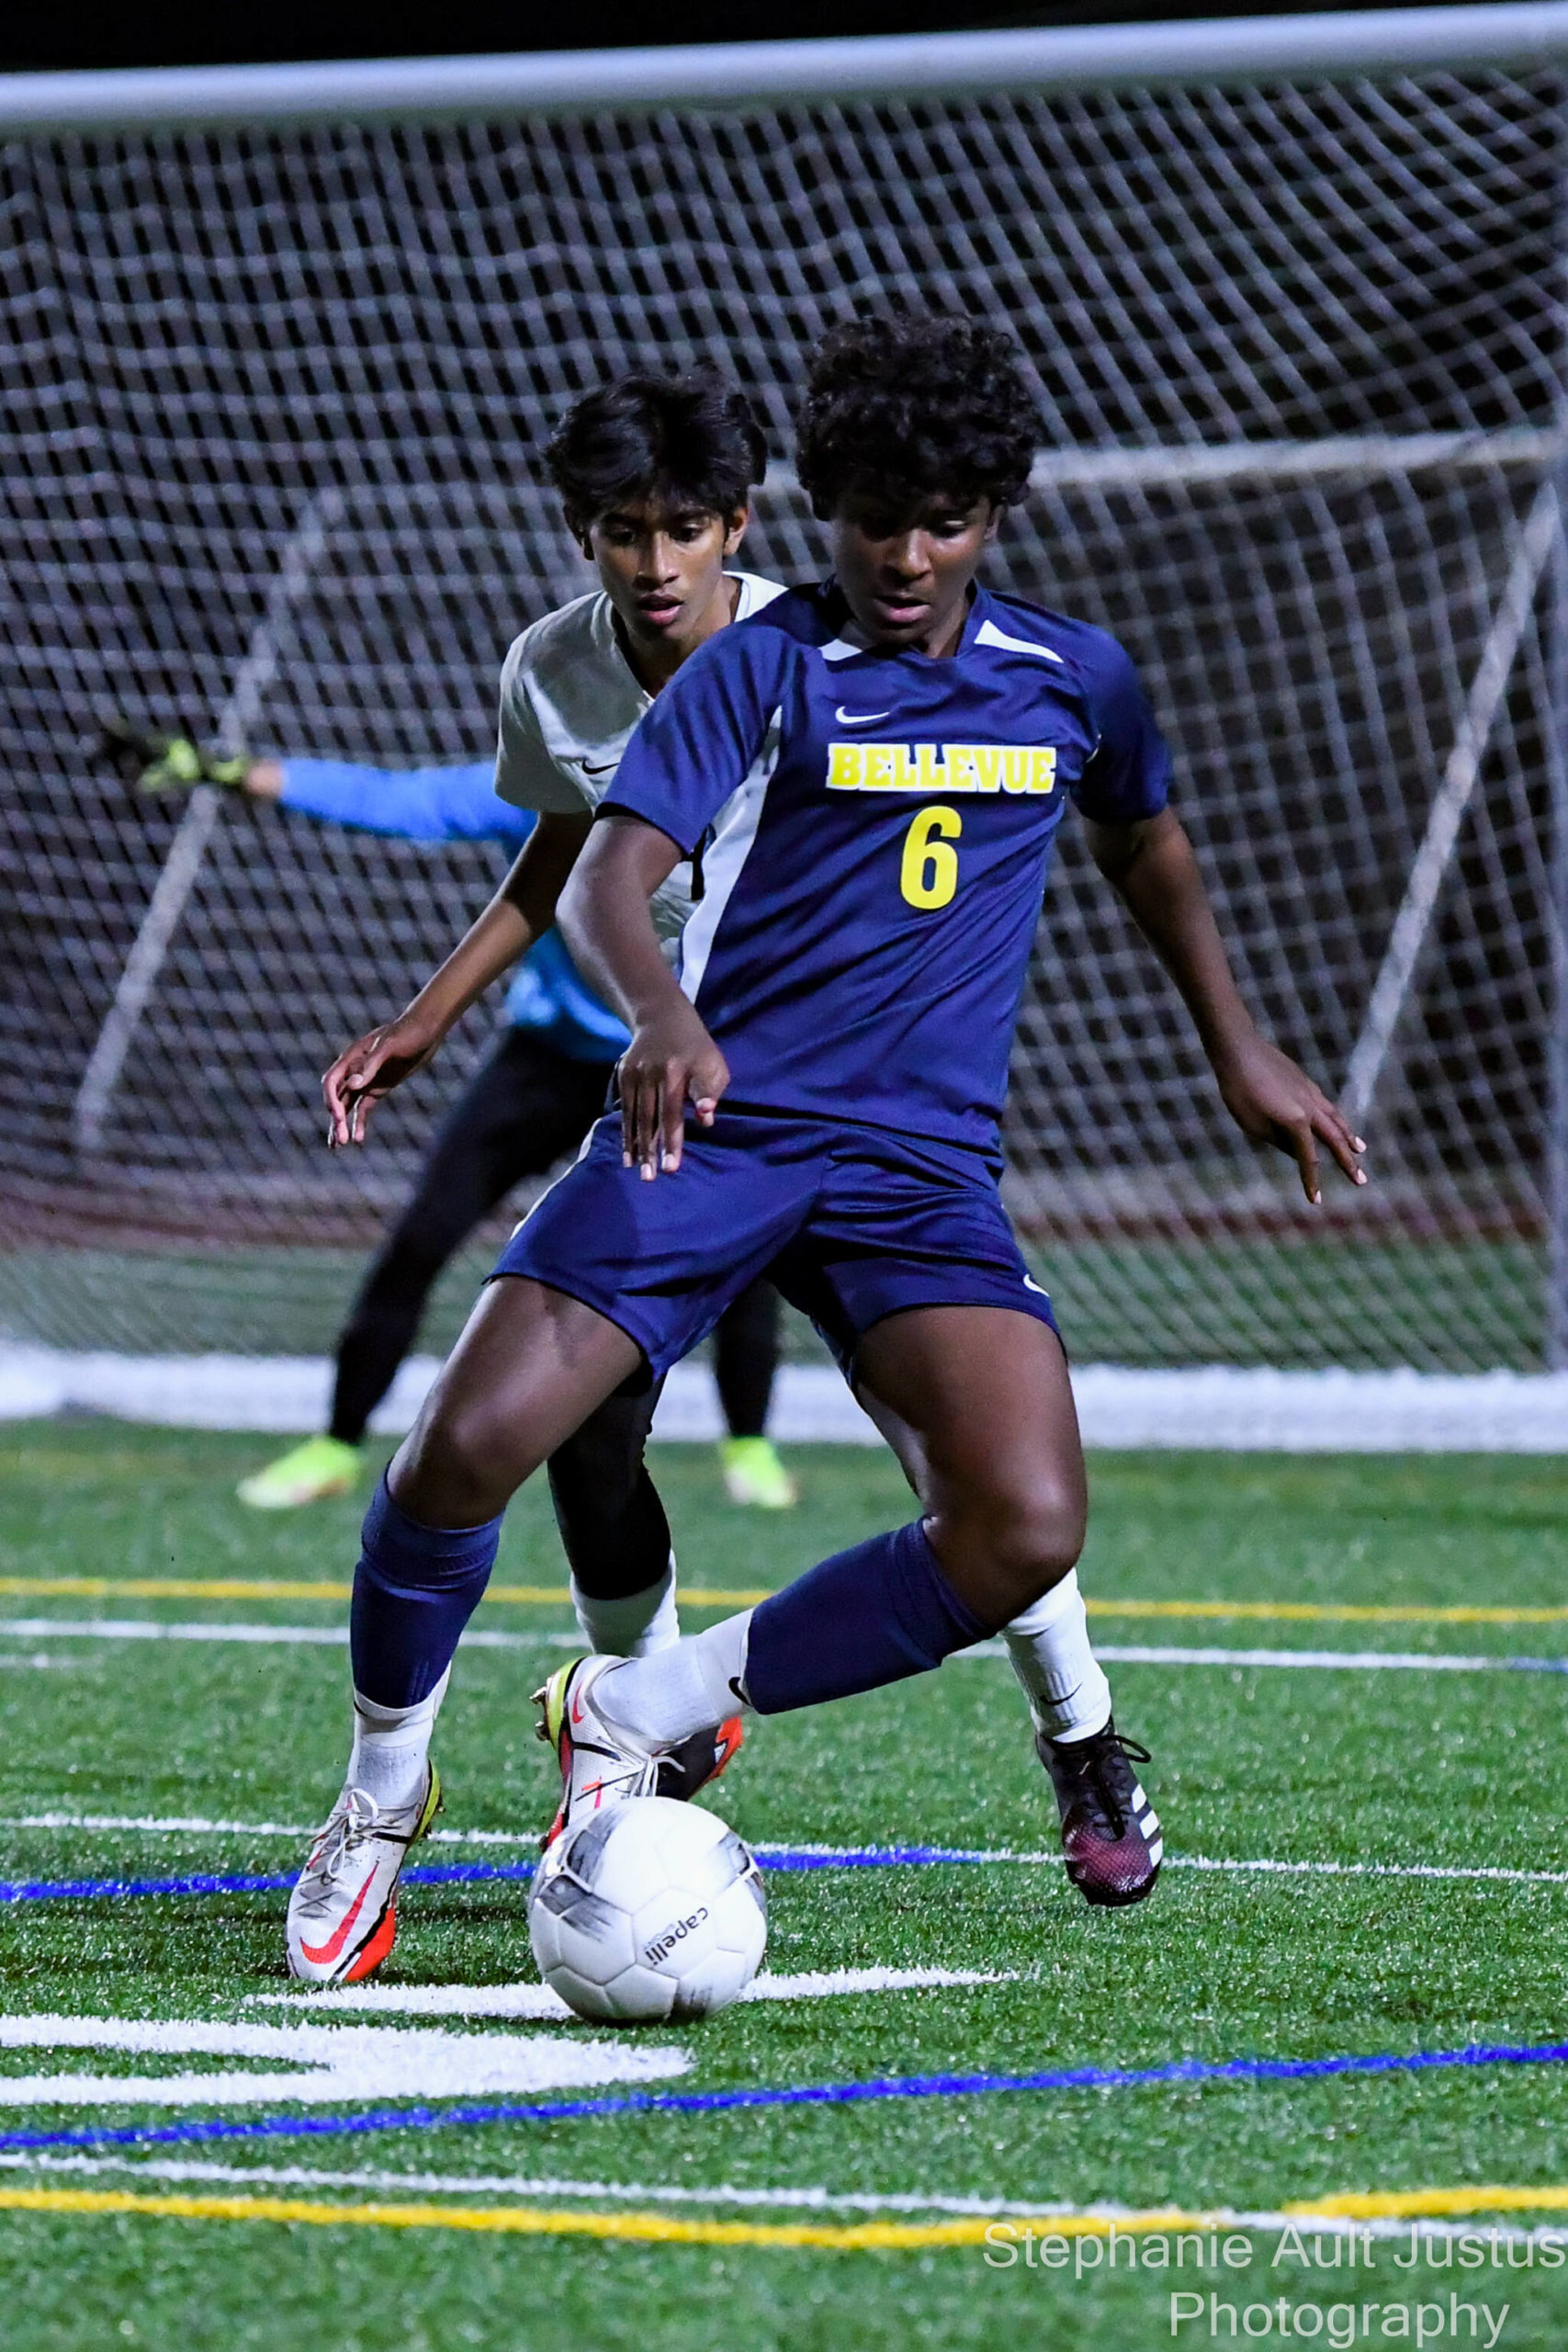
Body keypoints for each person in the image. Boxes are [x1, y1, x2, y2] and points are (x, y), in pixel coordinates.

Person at [284, 347, 1208, 1985]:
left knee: (1004, 1493)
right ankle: (439, 1777)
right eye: (622, 533)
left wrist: (1232, 1041)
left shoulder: (878, 643)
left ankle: (1065, 1727)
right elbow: (570, 855)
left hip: (862, 1129)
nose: (655, 564)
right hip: (690, 1100)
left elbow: (1114, 824)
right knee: (526, 1439)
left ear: (739, 527)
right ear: (582, 539)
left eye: (685, 528)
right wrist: (447, 1016)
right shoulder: (585, 669)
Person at [100, 730, 799, 1514]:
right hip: (545, 1062)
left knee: (741, 1256)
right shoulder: (560, 789)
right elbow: (401, 801)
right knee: (422, 1237)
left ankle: (750, 1447)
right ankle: (335, 1443)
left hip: (665, 1065)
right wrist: (239, 773)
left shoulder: (736, 799)